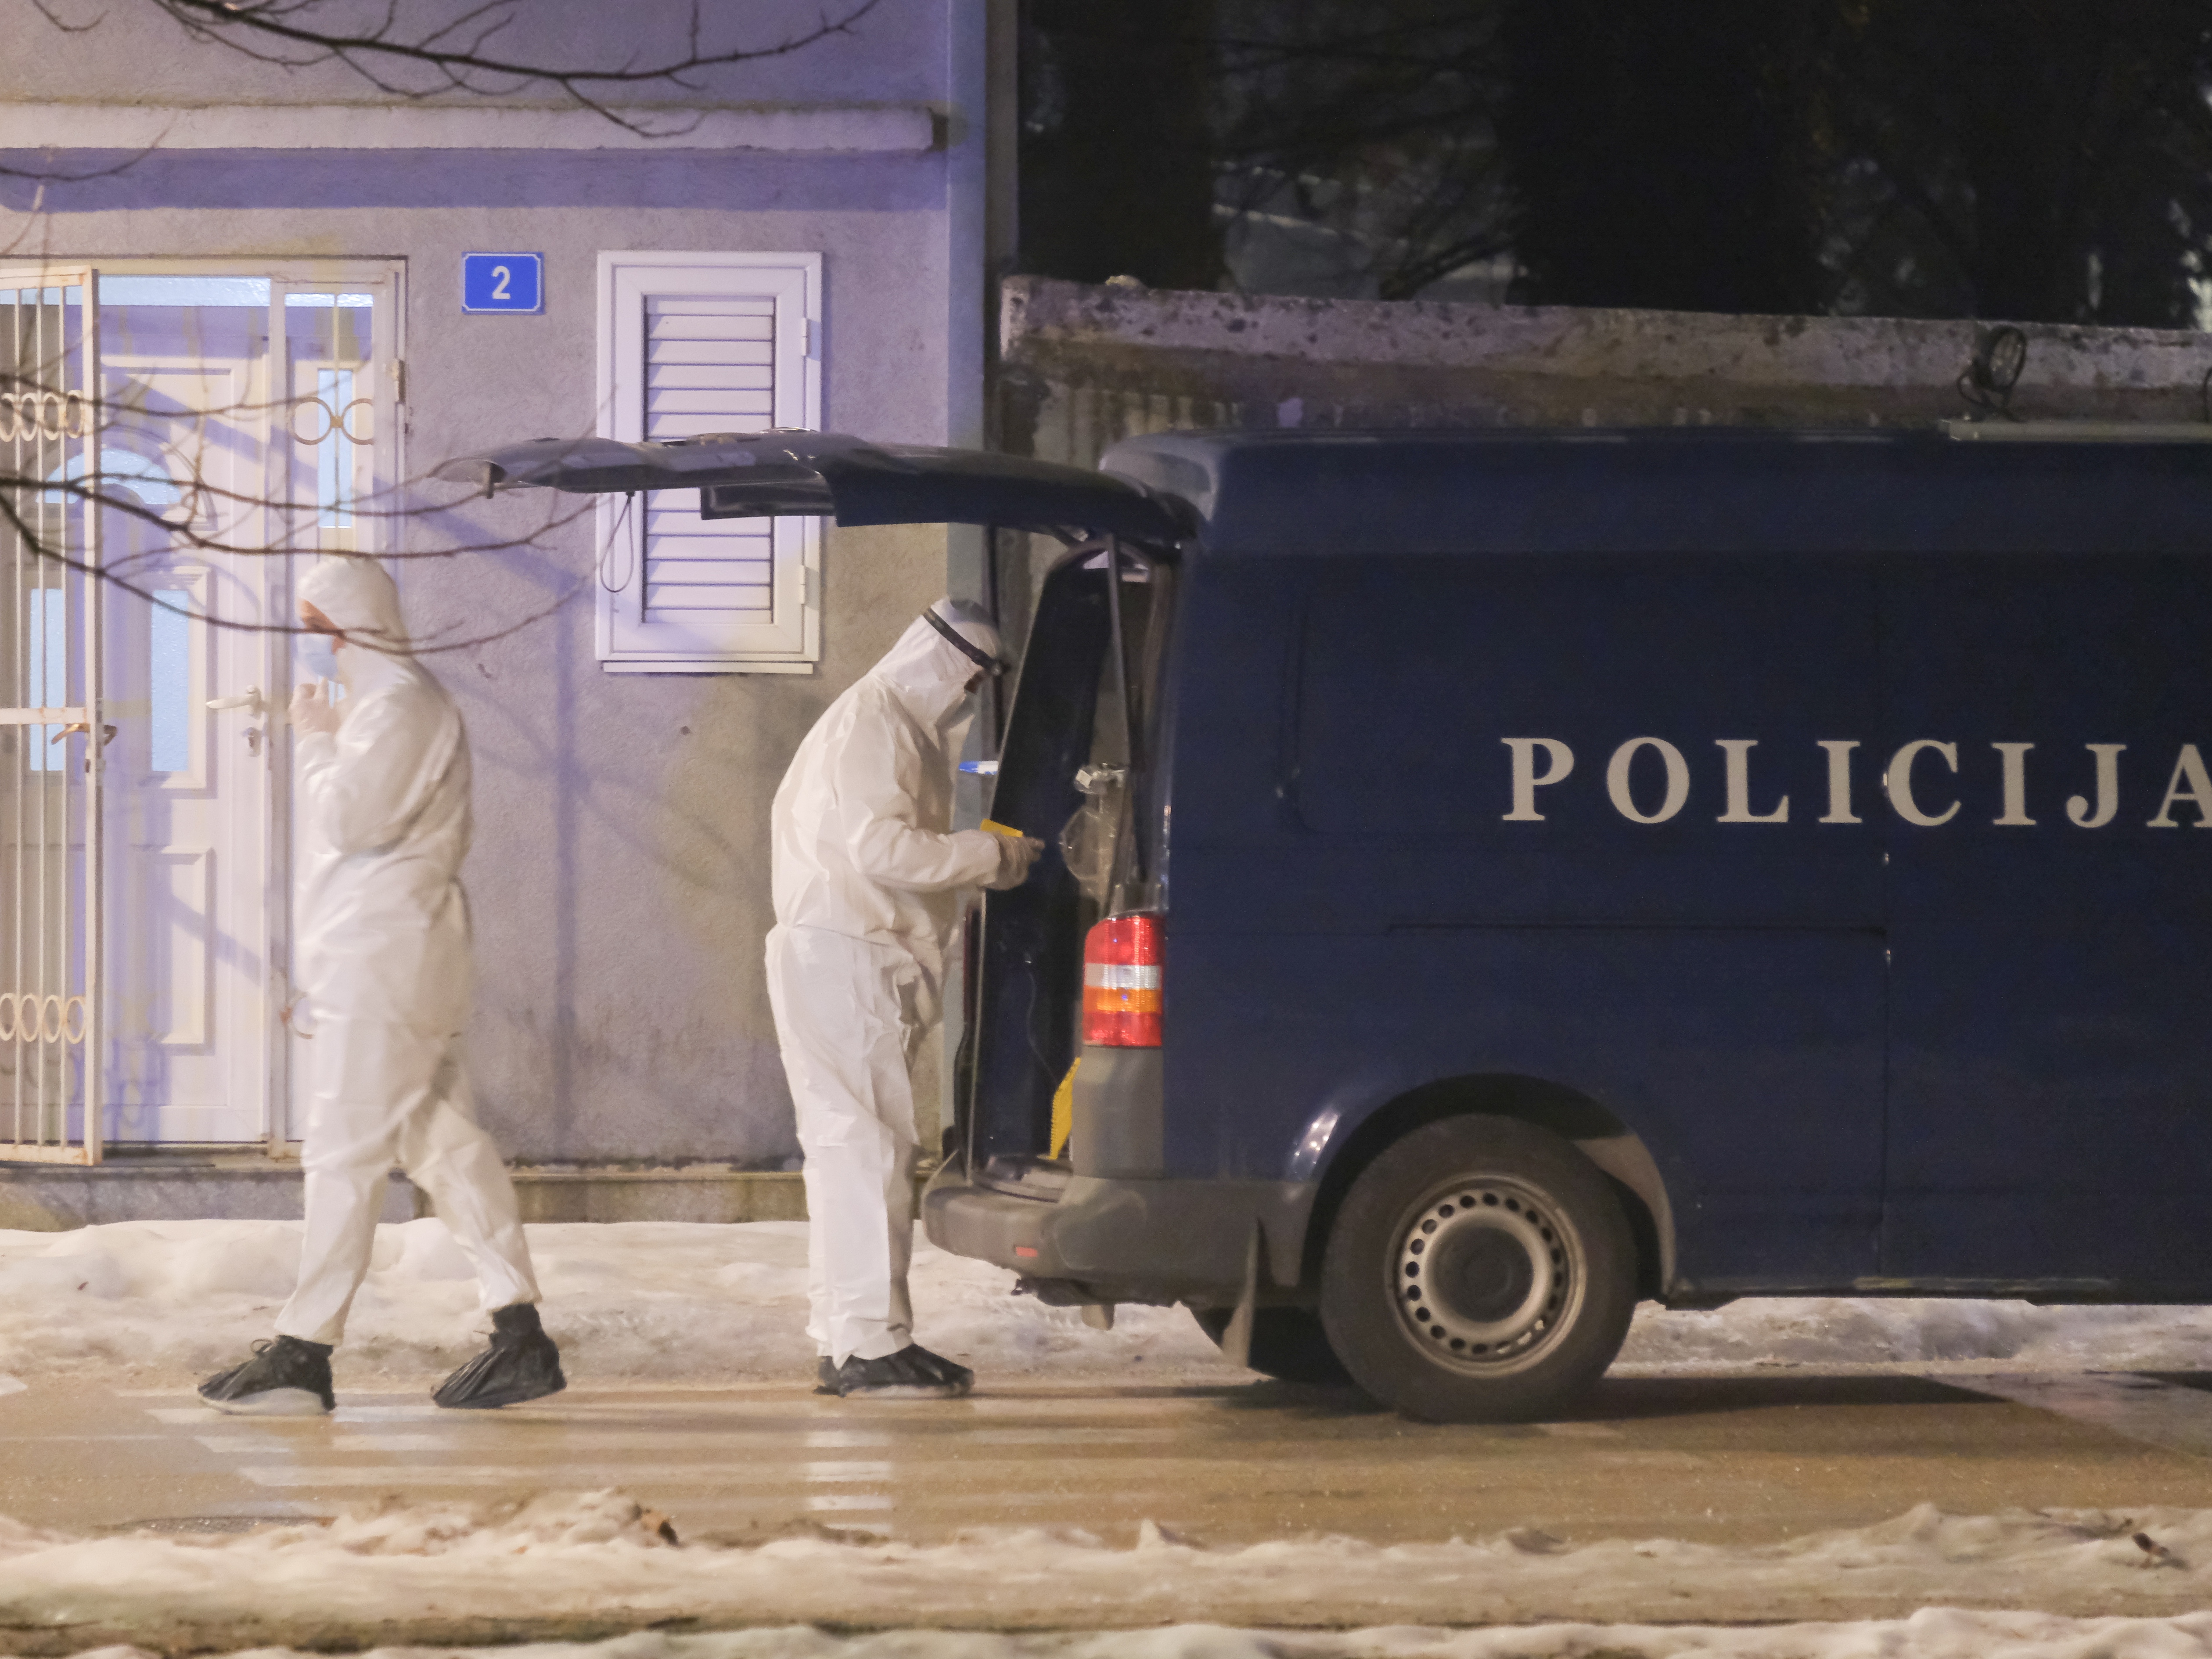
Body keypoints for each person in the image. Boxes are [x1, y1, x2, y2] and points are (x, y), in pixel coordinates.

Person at [198, 556, 563, 1416]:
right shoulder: (389, 703)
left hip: (388, 954)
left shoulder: (398, 705)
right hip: (383, 951)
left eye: (317, 622)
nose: (310, 641)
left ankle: (304, 1348)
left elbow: (349, 823)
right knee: (441, 1140)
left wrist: (316, 741)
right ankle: (519, 1335)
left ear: (352, 625)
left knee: (343, 1149)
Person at [768, 598, 1042, 1399]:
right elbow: (881, 849)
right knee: (869, 1153)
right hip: (850, 955)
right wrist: (993, 855)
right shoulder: (876, 722)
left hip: (842, 953)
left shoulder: (875, 720)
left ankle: (851, 1336)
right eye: (975, 680)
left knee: (850, 1152)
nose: (972, 697)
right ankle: (870, 1346)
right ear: (950, 665)